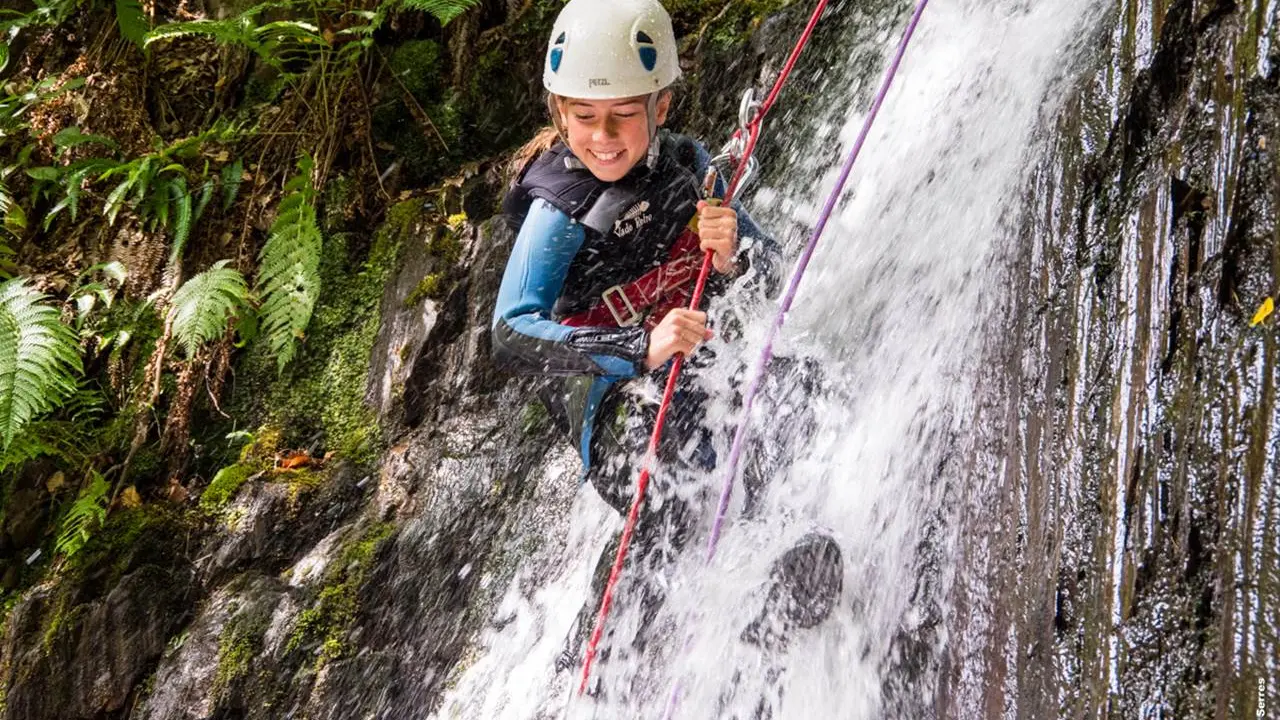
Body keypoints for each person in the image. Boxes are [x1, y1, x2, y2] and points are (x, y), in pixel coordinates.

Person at [491, 0, 842, 687]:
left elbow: (775, 273)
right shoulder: (559, 209)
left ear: (662, 104)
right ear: (560, 115)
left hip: (695, 369)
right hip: (612, 407)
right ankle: (598, 678)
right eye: (584, 119)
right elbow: (511, 331)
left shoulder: (689, 169)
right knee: (673, 474)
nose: (603, 136)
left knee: (799, 386)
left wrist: (737, 250)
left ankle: (777, 576)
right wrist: (636, 348)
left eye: (622, 114)